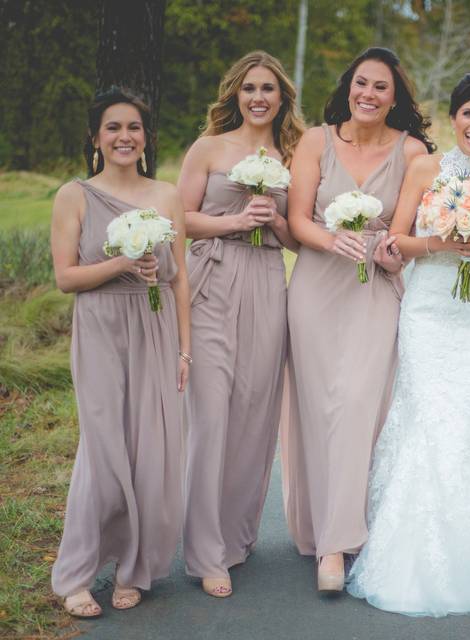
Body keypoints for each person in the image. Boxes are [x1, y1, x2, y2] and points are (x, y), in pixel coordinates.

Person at [346, 70, 470, 617]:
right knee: (425, 416)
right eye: (469, 114)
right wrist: (442, 241)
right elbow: (398, 239)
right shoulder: (426, 167)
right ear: (453, 118)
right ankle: (406, 548)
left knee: (469, 414)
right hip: (428, 309)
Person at [281, 47, 431, 591]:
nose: (368, 95)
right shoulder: (316, 141)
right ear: (349, 87)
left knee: (358, 404)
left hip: (377, 292)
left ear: (396, 98)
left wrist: (395, 253)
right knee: (320, 407)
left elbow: (406, 236)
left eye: (381, 88)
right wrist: (332, 238)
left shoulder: (412, 151)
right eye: (361, 84)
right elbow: (298, 220)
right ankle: (321, 528)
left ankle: (337, 547)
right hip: (318, 286)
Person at [49, 87, 190, 617]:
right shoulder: (74, 195)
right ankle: (78, 576)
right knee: (103, 454)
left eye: (133, 127)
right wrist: (125, 261)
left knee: (149, 453)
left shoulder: (167, 195)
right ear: (96, 137)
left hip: (154, 328)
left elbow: (180, 281)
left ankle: (134, 568)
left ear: (145, 137)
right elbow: (66, 277)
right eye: (113, 127)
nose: (124, 136)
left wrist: (184, 350)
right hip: (101, 328)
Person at [178, 50, 303, 598]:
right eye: (250, 88)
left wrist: (273, 217)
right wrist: (234, 220)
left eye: (268, 90)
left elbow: (298, 238)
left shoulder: (295, 155)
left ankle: (235, 534)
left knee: (255, 410)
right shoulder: (209, 148)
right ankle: (204, 551)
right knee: (211, 412)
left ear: (282, 99)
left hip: (266, 280)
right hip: (213, 275)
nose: (258, 97)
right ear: (235, 94)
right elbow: (177, 219)